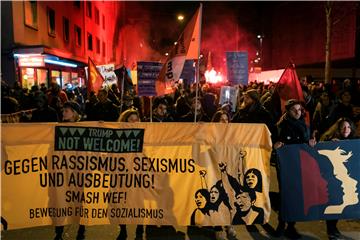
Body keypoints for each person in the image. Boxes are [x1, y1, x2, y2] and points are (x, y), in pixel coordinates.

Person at [273, 99, 316, 239]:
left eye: (300, 110)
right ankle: (281, 224)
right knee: (285, 195)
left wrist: (310, 143)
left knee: (296, 196)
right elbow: (272, 142)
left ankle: (291, 226)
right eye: (294, 110)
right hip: (285, 167)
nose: (298, 112)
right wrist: (275, 146)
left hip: (299, 166)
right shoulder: (280, 125)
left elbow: (306, 142)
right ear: (288, 111)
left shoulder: (304, 125)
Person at [321, 118, 358, 240]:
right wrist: (330, 144)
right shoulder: (331, 140)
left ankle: (334, 228)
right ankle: (330, 229)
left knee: (344, 203)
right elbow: (320, 150)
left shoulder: (354, 141)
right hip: (333, 178)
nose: (346, 130)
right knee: (334, 202)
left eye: (348, 127)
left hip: (347, 178)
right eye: (343, 127)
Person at [54, 101, 84, 240]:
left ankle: (81, 231)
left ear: (74, 113)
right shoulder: (57, 128)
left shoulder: (84, 128)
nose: (63, 112)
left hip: (78, 173)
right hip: (61, 171)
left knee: (79, 202)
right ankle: (58, 232)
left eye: (66, 110)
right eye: (63, 110)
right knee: (59, 201)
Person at [117, 108, 143, 240]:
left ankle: (139, 227)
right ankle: (123, 230)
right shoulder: (118, 135)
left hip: (138, 174)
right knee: (121, 203)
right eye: (130, 119)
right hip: (121, 175)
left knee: (138, 202)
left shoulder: (144, 133)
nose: (134, 122)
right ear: (124, 121)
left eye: (136, 119)